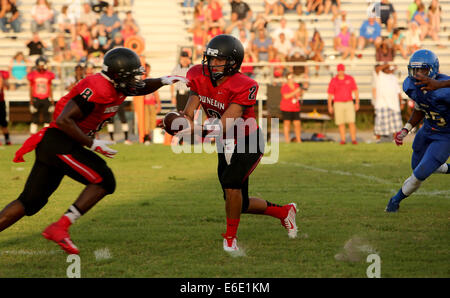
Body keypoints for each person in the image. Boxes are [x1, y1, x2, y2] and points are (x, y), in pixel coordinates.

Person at [0, 47, 188, 254]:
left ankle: (59, 227)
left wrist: (163, 80)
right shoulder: (97, 87)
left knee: (30, 202)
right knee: (104, 180)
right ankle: (60, 227)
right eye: (131, 75)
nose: (135, 80)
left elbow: (140, 87)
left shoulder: (117, 84)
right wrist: (93, 144)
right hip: (60, 143)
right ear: (117, 75)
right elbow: (64, 119)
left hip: (59, 143)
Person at [179, 34, 298, 252]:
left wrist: (195, 130)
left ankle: (230, 239)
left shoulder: (245, 84)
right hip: (224, 143)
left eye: (218, 60)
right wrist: (177, 122)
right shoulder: (198, 76)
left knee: (232, 184)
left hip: (247, 140)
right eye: (210, 59)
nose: (212, 64)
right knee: (238, 203)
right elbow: (189, 112)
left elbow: (225, 123)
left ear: (233, 63)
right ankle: (284, 211)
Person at [385, 49, 450, 213]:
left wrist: (440, 85)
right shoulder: (410, 85)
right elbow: (421, 108)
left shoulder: (445, 88)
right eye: (416, 70)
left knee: (420, 173)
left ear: (433, 70)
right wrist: (406, 129)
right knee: (418, 166)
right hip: (427, 130)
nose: (419, 74)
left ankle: (395, 201)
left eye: (423, 70)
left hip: (445, 136)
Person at [327, 63, 359, 144]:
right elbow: (330, 94)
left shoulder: (350, 78)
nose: (341, 72)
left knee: (351, 122)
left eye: (342, 70)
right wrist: (330, 106)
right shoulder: (334, 80)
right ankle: (343, 140)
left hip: (348, 102)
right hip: (338, 103)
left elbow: (355, 91)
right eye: (339, 70)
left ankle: (353, 139)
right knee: (341, 122)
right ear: (337, 71)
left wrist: (357, 102)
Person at [372, 63, 404, 142]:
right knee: (380, 123)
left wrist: (402, 102)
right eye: (386, 68)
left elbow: (398, 91)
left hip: (394, 104)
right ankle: (378, 139)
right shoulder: (379, 75)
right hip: (382, 103)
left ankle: (395, 139)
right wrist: (388, 64)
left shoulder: (393, 77)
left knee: (395, 124)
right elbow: (377, 69)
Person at [27, 56, 55, 135]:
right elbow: (31, 88)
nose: (41, 67)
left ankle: (47, 135)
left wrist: (52, 100)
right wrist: (31, 100)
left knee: (47, 118)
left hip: (46, 98)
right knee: (34, 119)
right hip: (36, 98)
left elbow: (50, 87)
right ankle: (32, 136)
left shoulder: (49, 74)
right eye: (40, 65)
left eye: (42, 65)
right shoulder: (33, 74)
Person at [280, 72, 302, 143]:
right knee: (287, 124)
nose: (292, 79)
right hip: (287, 108)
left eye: (292, 77)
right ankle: (287, 140)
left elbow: (300, 94)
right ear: (287, 79)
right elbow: (286, 96)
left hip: (295, 107)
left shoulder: (296, 85)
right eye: (290, 78)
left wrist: (299, 92)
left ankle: (299, 140)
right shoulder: (285, 87)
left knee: (297, 124)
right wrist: (295, 92)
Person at [143, 63, 161, 144]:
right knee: (146, 120)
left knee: (152, 120)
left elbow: (155, 92)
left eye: (148, 69)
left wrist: (158, 103)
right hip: (145, 103)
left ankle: (151, 136)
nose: (147, 71)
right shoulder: (141, 79)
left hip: (152, 102)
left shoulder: (150, 79)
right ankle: (146, 136)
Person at [0, 69, 11, 145]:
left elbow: (7, 87)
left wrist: (3, 80)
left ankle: (7, 140)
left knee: (3, 122)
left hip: (1, 101)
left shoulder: (2, 74)